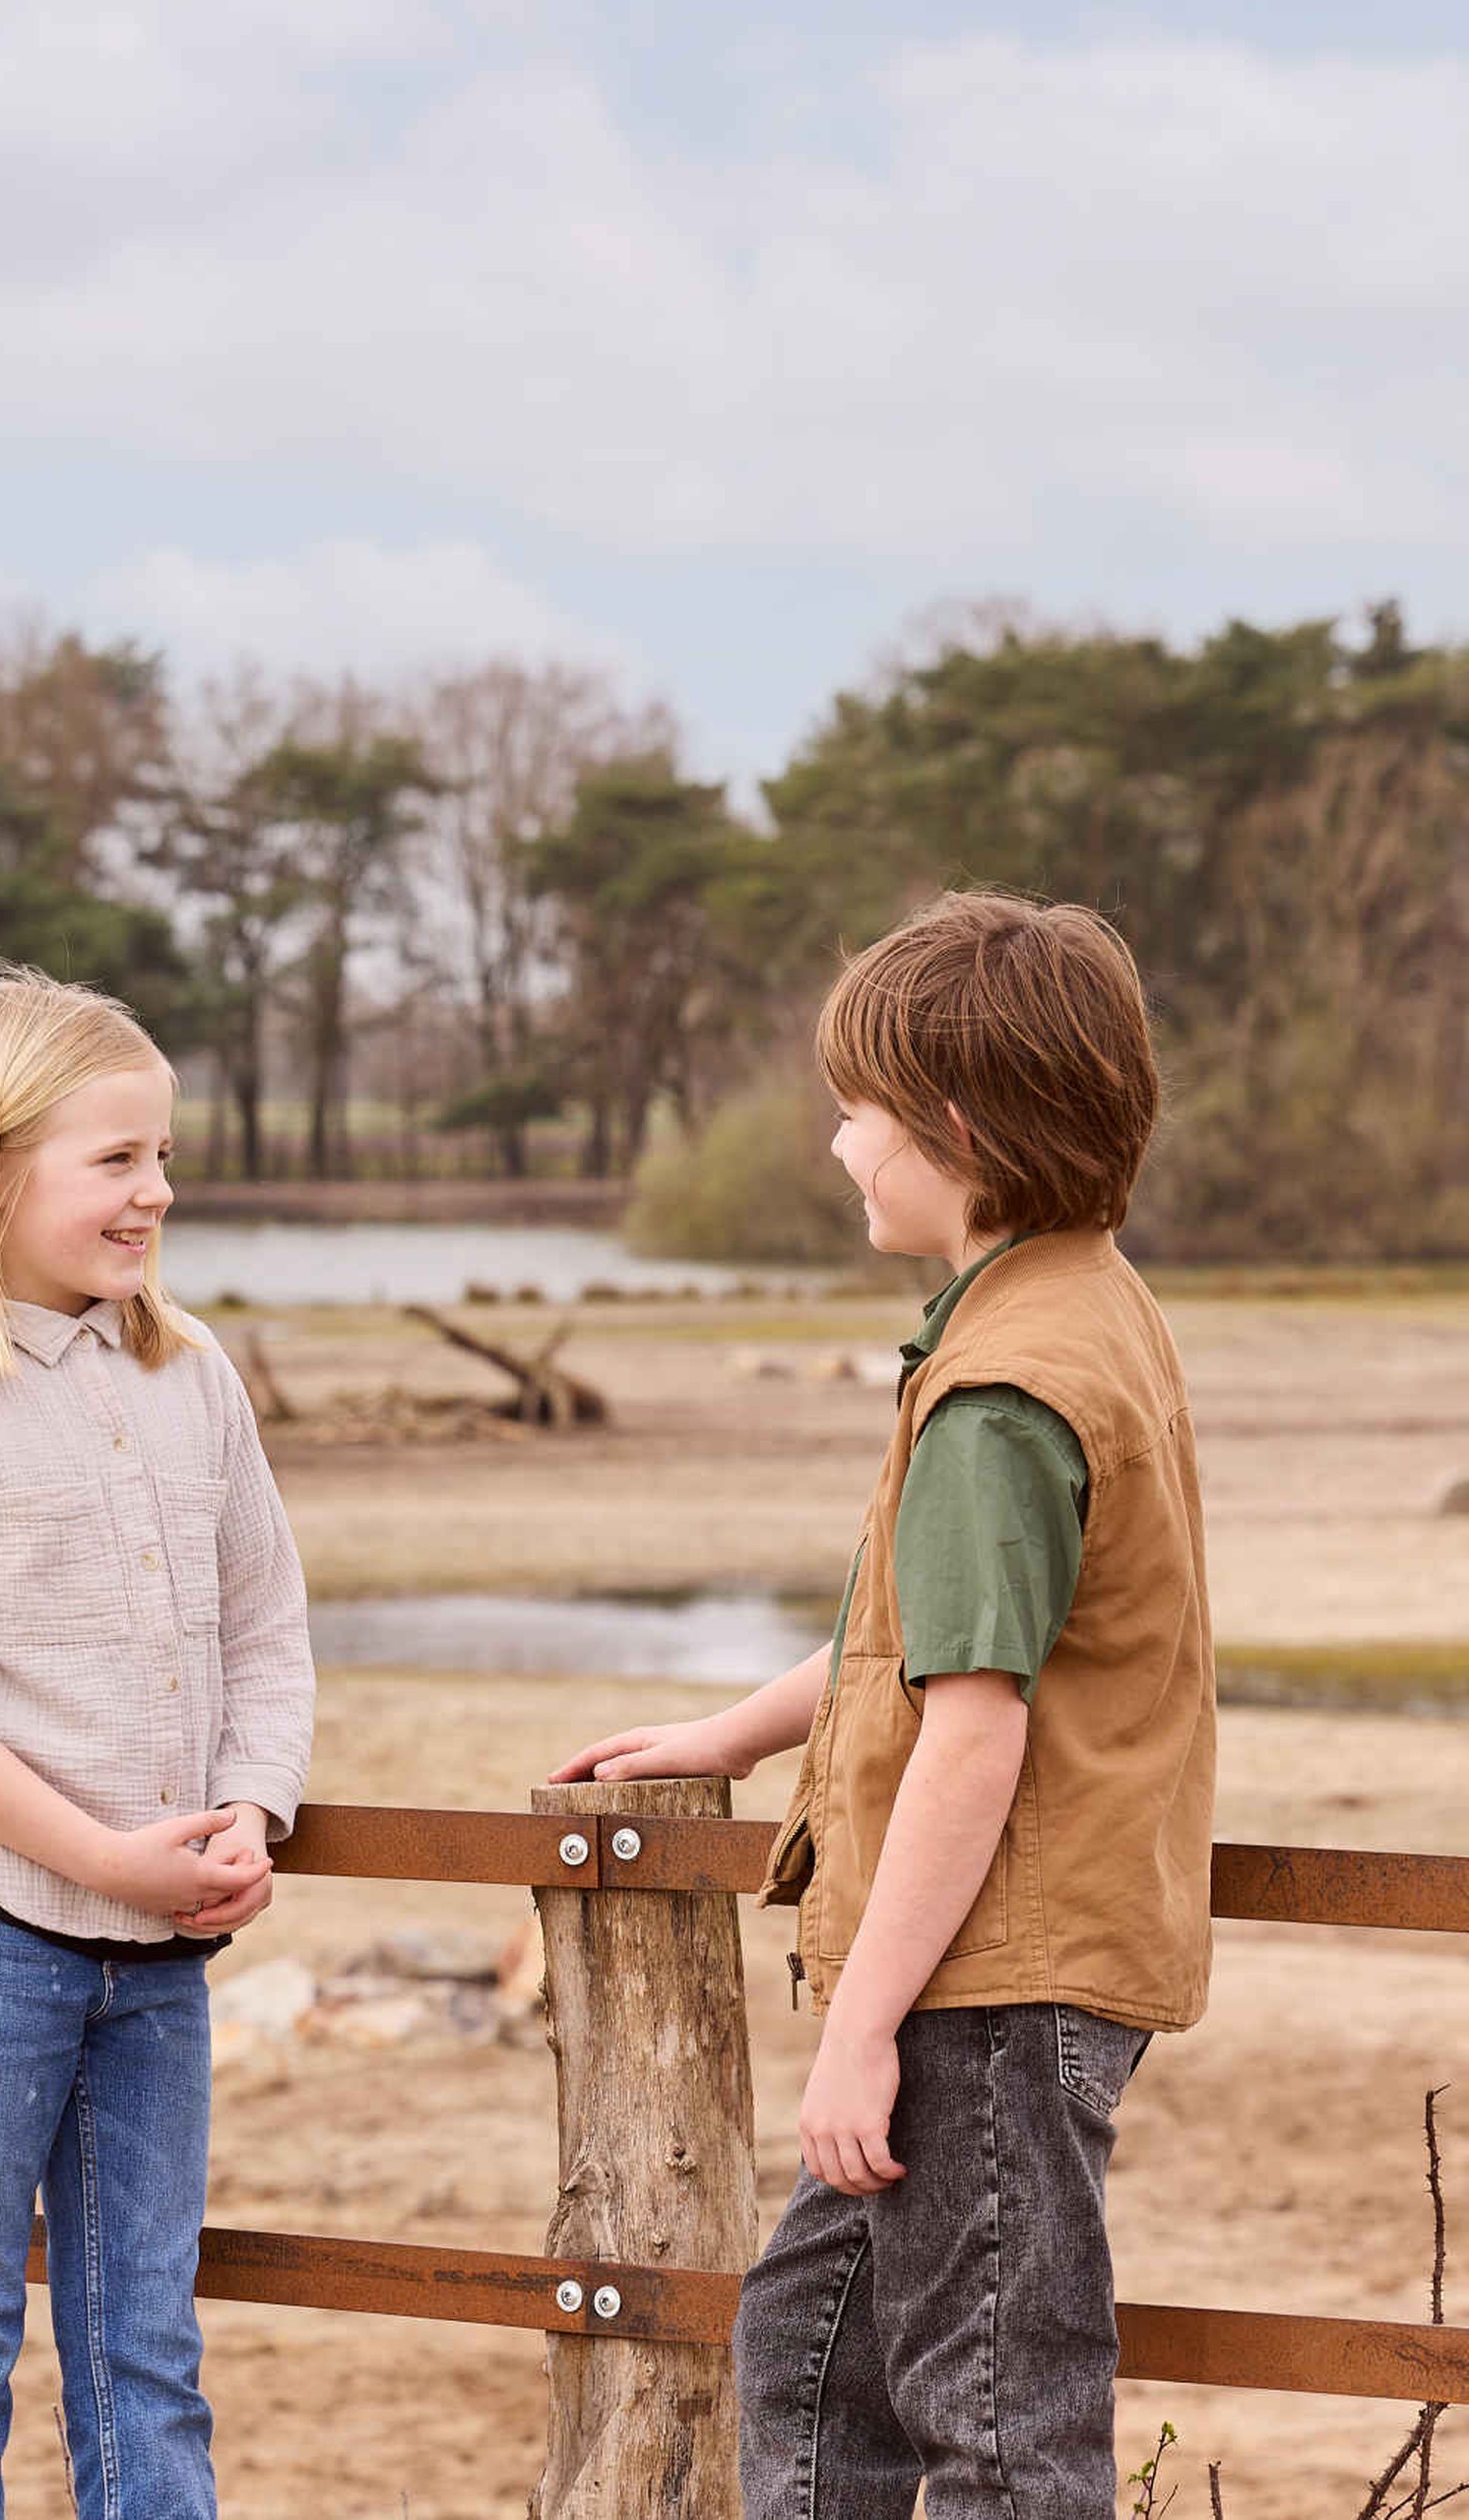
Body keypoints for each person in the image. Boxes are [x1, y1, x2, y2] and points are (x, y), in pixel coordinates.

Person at [552, 891, 1208, 2517]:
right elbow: (934, 1645)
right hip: (993, 1961)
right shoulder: (1074, 1298)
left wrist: (856, 2036)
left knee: (992, 2431)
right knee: (809, 2350)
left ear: (957, 1127)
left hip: (984, 1977)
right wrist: (733, 1735)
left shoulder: (1002, 1393)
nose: (838, 1144)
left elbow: (979, 1730)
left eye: (858, 1111)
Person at [0, 959, 315, 2520]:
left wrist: (253, 1810)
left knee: (145, 2345)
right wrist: (102, 1854)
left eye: (162, 1157)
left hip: (161, 1960)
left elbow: (266, 1629)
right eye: (117, 1159)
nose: (154, 1192)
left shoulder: (192, 1373)